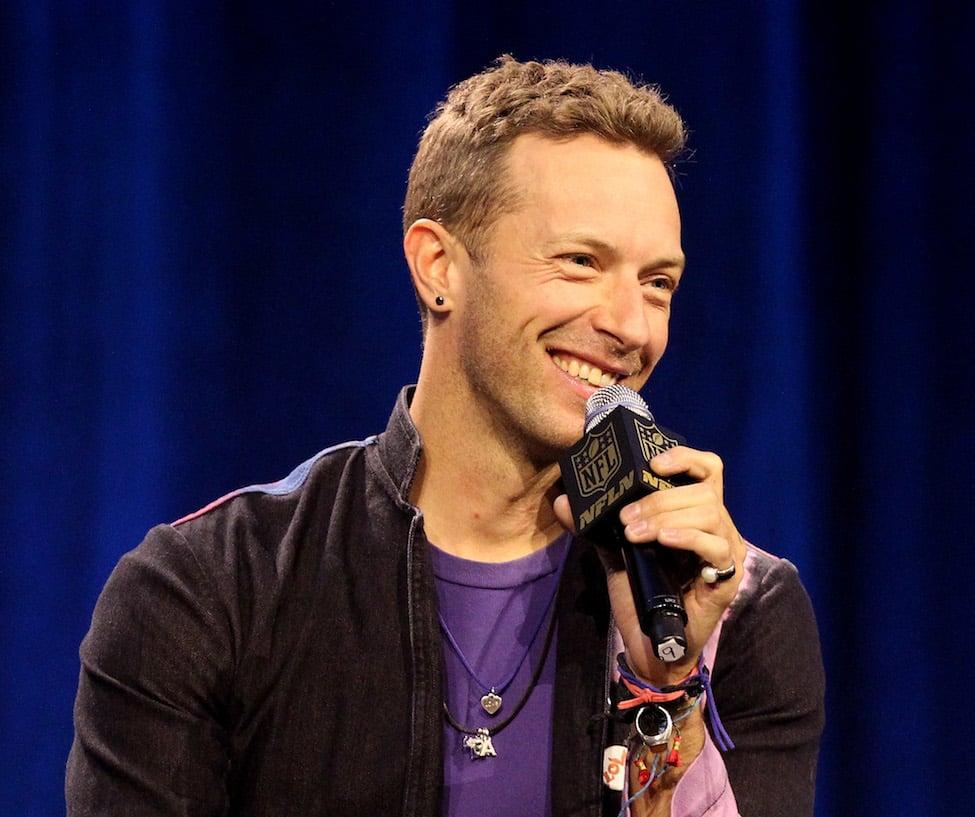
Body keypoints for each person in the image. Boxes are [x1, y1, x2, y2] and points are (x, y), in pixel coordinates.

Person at [67, 56, 825, 817]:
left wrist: (664, 684)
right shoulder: (212, 590)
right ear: (439, 266)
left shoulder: (738, 610)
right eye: (580, 262)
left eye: (658, 282)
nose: (631, 325)